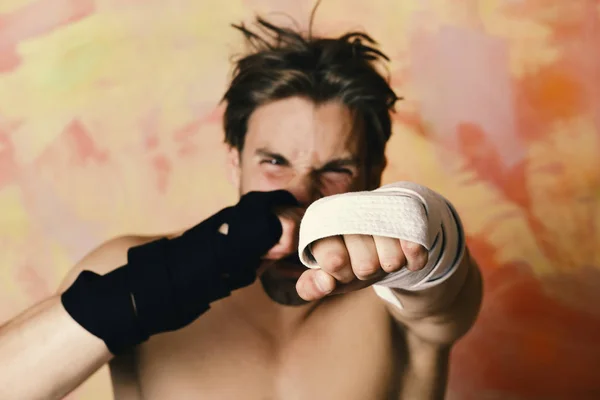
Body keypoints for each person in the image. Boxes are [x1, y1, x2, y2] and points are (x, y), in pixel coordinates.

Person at [0, 17, 482, 400]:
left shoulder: (396, 296)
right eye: (275, 162)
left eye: (336, 169)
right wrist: (166, 278)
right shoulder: (130, 266)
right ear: (235, 163)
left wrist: (408, 224)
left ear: (374, 174)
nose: (300, 194)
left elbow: (437, 271)